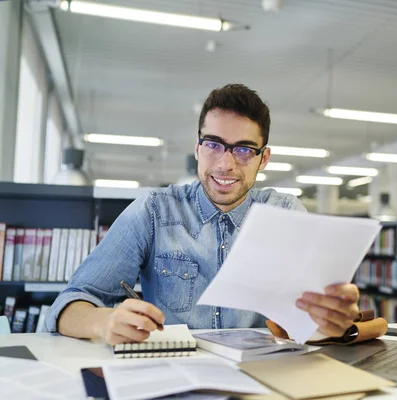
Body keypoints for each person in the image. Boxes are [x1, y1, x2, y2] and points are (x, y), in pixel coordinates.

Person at [46, 84, 361, 345]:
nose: (225, 164)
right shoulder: (154, 210)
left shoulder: (286, 214)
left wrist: (333, 320)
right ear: (197, 148)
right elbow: (69, 303)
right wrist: (104, 322)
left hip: (262, 378)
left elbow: (314, 323)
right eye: (214, 144)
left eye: (243, 149)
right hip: (174, 374)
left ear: (263, 159)